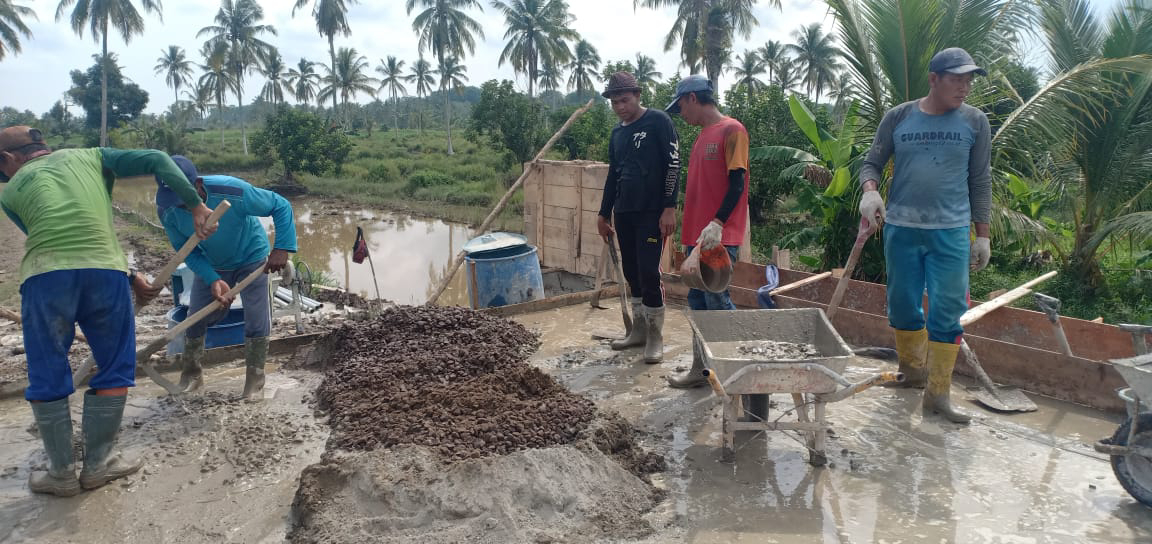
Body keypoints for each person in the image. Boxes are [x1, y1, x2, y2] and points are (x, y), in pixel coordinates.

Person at [0, 126, 215, 496]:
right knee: (115, 364)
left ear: (7, 160)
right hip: (105, 273)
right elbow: (158, 159)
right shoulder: (91, 155)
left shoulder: (11, 192)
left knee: (47, 369)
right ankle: (100, 464)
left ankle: (61, 473)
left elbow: (47, 235)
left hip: (45, 278)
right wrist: (196, 205)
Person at [857, 48, 992, 424]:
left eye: (969, 80)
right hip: (901, 229)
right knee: (902, 305)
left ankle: (938, 394)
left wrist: (982, 235)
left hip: (950, 233)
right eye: (957, 79)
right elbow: (872, 162)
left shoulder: (975, 122)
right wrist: (870, 190)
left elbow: (980, 181)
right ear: (934, 79)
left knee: (948, 313)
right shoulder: (898, 117)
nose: (965, 87)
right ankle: (912, 373)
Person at [156, 156, 297, 399]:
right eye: (177, 202)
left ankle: (255, 382)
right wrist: (211, 279)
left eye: (186, 198)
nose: (183, 207)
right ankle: (192, 376)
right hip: (213, 263)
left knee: (255, 318)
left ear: (198, 184)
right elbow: (188, 252)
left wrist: (282, 247)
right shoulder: (167, 211)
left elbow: (280, 205)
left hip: (251, 257)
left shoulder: (232, 190)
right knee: (195, 319)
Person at [663, 75, 751, 388]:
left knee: (717, 301)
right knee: (698, 303)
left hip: (718, 237)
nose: (681, 114)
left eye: (681, 107)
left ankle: (733, 374)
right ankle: (702, 372)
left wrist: (718, 222)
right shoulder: (701, 137)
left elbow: (737, 183)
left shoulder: (733, 130)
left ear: (692, 98)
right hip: (695, 239)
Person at [596, 72, 681, 364]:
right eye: (614, 102)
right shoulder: (618, 133)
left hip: (652, 213)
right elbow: (613, 175)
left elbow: (673, 166)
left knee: (648, 271)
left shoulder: (658, 122)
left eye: (624, 100)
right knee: (631, 272)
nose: (620, 107)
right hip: (625, 212)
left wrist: (669, 207)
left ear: (637, 95)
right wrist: (603, 213)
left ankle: (656, 337)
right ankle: (639, 331)